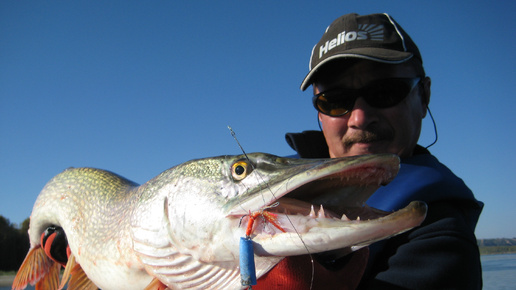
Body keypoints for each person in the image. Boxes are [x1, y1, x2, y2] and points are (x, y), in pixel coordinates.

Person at [282, 13, 484, 289]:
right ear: (319, 112)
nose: (359, 118)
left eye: (385, 92)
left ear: (423, 96)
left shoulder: (440, 237)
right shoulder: (270, 182)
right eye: (335, 101)